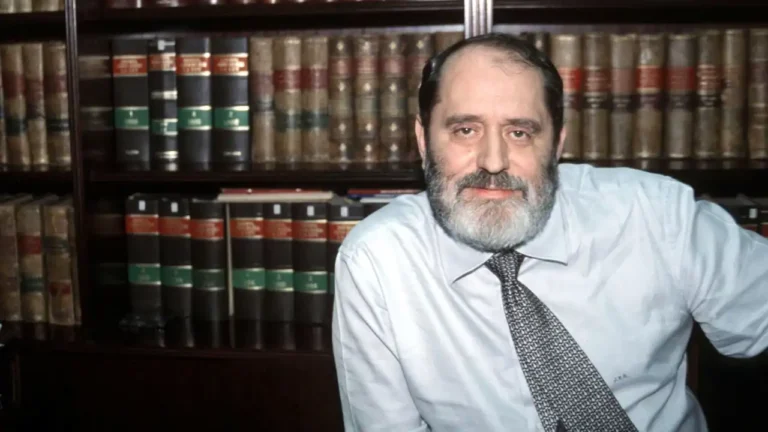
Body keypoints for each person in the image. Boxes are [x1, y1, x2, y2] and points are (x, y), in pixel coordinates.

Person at [330, 32, 768, 432]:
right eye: (465, 129)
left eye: (520, 132)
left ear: (557, 144)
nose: (494, 161)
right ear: (424, 141)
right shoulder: (378, 259)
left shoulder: (657, 217)